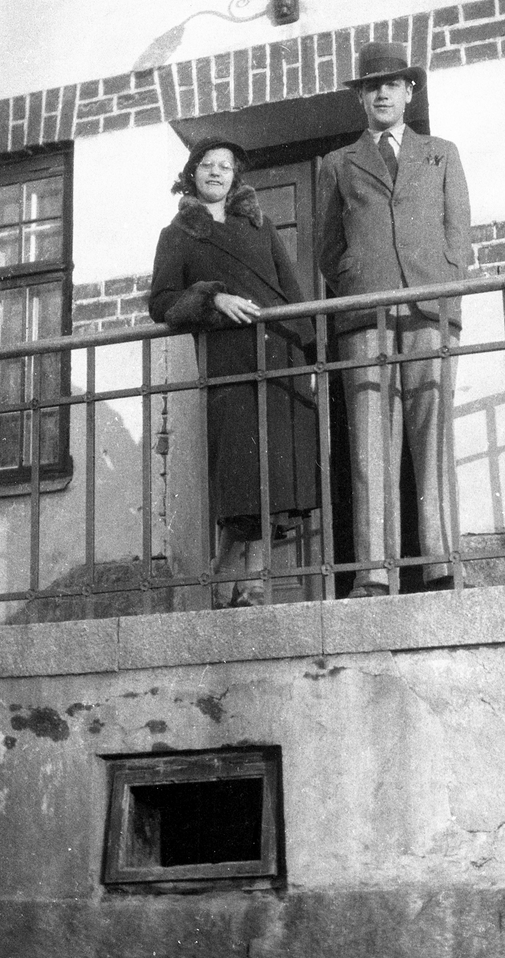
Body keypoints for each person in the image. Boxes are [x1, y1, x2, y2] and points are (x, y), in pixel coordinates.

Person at [316, 41, 472, 598]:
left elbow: (459, 231)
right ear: (360, 97)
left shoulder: (442, 153)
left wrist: (445, 280)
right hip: (366, 316)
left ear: (409, 93)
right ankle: (374, 573)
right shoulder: (337, 163)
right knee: (369, 447)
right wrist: (359, 279)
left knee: (434, 439)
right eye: (371, 86)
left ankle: (441, 563)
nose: (382, 93)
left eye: (392, 84)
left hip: (431, 309)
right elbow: (327, 249)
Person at [149, 136, 318, 607]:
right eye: (207, 165)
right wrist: (213, 298)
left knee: (277, 472)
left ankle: (251, 582)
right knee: (241, 474)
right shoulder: (178, 234)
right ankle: (227, 571)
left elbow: (292, 291)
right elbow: (161, 302)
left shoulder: (259, 226)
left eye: (225, 166)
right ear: (192, 173)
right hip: (230, 362)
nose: (216, 172)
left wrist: (312, 354)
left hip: (281, 356)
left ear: (235, 177)